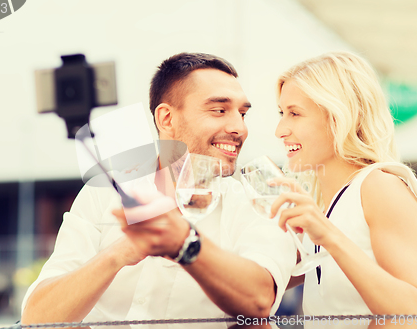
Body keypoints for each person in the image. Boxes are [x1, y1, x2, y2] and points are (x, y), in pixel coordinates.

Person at [21, 52, 296, 324]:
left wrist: (184, 244)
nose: (239, 127)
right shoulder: (102, 192)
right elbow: (37, 319)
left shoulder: (255, 202)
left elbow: (260, 300)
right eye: (219, 110)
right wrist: (119, 253)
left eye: (243, 113)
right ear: (166, 119)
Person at [270, 51, 417, 316]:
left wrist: (328, 236)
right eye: (282, 112)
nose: (280, 130)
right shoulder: (327, 203)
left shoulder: (379, 188)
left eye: (295, 113)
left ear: (339, 117)